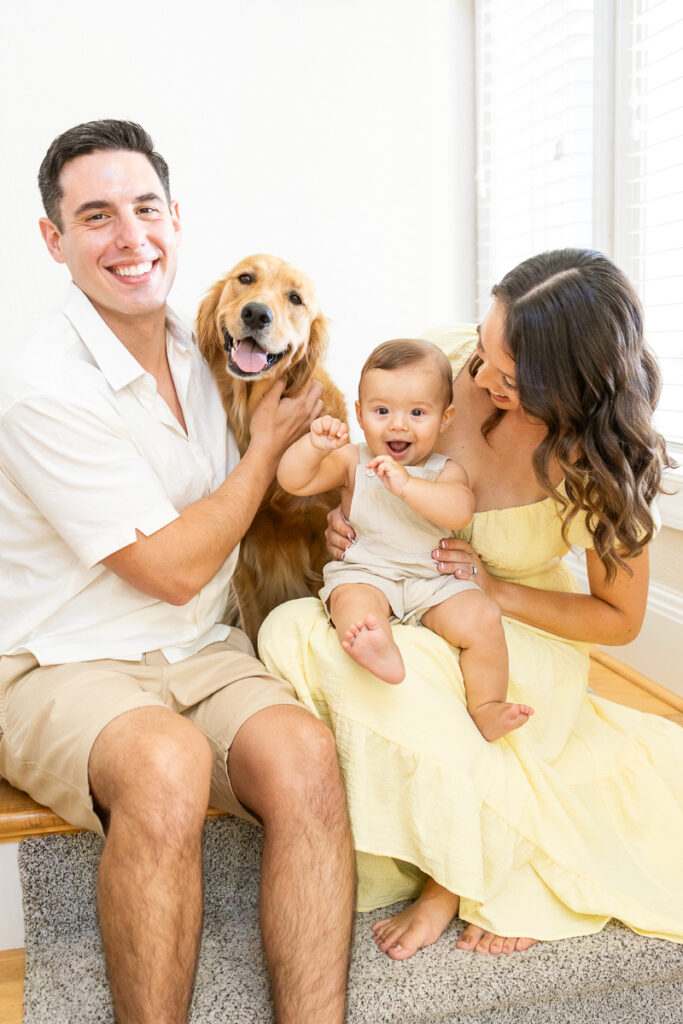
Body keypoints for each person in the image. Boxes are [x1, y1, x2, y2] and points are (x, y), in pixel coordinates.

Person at [0, 119, 355, 1024]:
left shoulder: (211, 348)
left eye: (145, 208)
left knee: (309, 756)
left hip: (199, 647)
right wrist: (266, 447)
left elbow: (319, 455)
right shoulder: (44, 385)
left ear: (174, 218)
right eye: (95, 216)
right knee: (166, 766)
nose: (130, 237)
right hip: (61, 660)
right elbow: (165, 567)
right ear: (55, 239)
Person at [259, 248, 683, 962]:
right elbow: (376, 451)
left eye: (507, 378)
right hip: (402, 590)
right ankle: (432, 830)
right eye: (482, 352)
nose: (480, 377)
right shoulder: (451, 358)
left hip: (509, 626)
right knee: (291, 633)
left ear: (569, 389)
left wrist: (495, 589)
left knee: (424, 673)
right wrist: (349, 512)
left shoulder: (603, 460)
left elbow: (620, 620)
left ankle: (454, 874)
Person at [277, 338, 533, 740]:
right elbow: (294, 480)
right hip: (366, 571)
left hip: (431, 582)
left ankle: (486, 706)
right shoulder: (351, 460)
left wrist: (407, 486)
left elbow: (458, 510)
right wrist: (313, 447)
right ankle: (379, 648)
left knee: (483, 618)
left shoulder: (445, 470)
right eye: (382, 411)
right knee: (353, 603)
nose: (398, 424)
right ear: (360, 415)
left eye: (417, 412)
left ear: (445, 419)